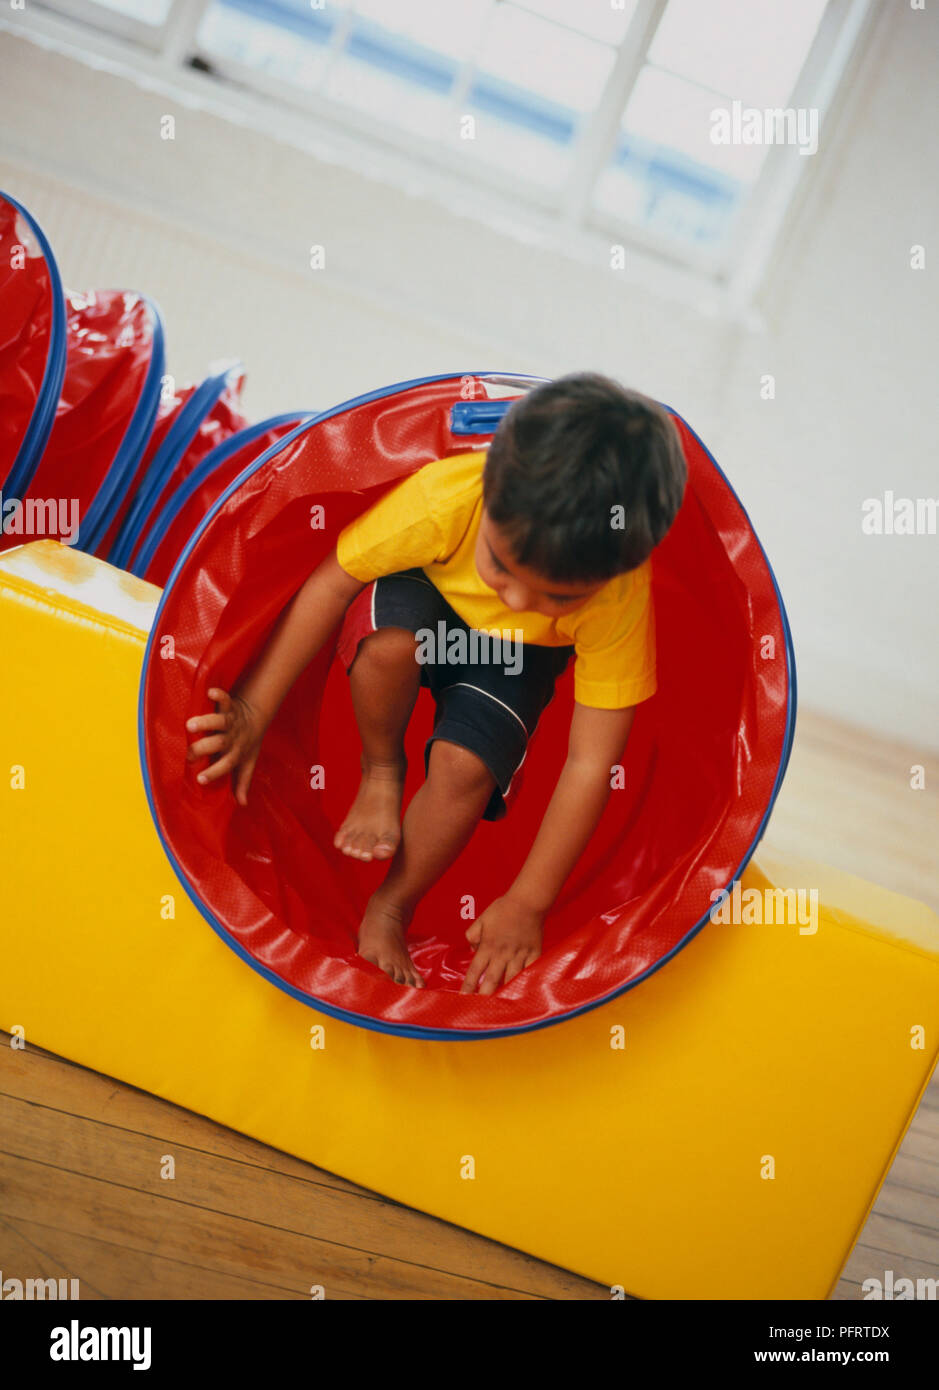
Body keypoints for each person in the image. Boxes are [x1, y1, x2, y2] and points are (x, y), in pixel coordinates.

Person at [185, 373, 686, 994]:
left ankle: (393, 904)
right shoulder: (449, 498)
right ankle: (381, 771)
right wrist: (254, 710)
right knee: (390, 646)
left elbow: (591, 762)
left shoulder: (617, 594)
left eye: (557, 594)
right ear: (491, 485)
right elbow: (330, 580)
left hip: (519, 656)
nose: (518, 596)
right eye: (501, 564)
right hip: (428, 592)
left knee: (466, 767)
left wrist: (529, 901)